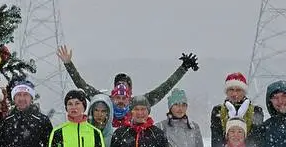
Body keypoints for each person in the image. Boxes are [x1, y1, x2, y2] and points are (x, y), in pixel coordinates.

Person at [56, 44, 200, 107]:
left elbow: (165, 88)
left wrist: (183, 68)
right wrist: (69, 64)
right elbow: (82, 85)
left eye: (125, 86)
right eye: (119, 85)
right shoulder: (104, 103)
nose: (120, 99)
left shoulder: (137, 105)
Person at [210, 72, 266, 147]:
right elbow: (217, 140)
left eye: (238, 90)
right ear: (226, 92)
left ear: (244, 91)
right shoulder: (218, 111)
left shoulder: (255, 111)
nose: (234, 93)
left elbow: (255, 140)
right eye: (231, 89)